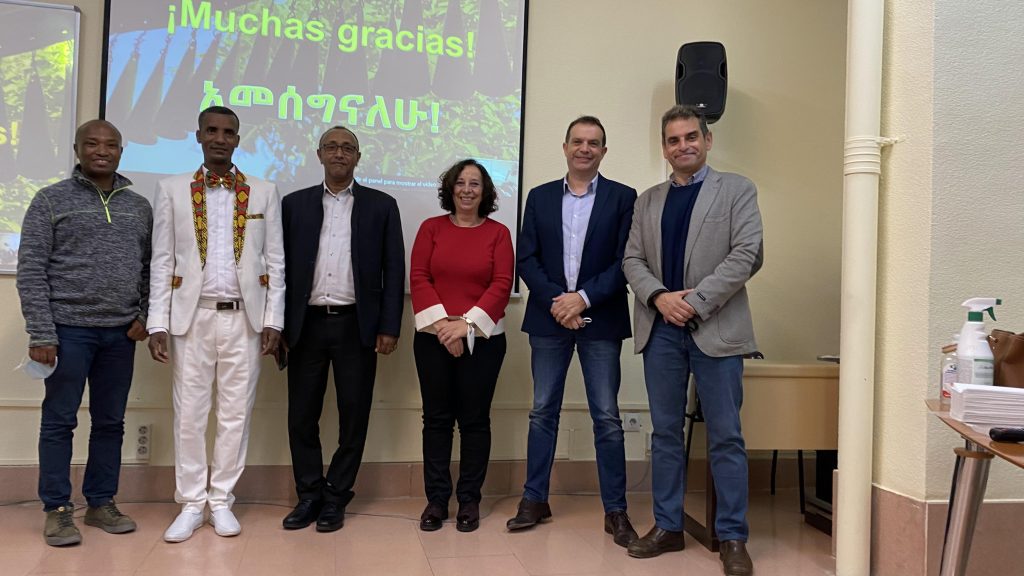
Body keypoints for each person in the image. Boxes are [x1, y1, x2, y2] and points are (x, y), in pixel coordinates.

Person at [622, 105, 763, 576]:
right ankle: (668, 527)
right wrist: (660, 298)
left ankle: (733, 537)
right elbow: (632, 260)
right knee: (665, 434)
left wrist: (695, 302)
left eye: (690, 137)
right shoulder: (647, 201)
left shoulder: (737, 189)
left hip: (717, 329)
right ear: (664, 148)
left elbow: (747, 254)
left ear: (707, 140)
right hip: (661, 331)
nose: (682, 145)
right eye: (673, 140)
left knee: (726, 436)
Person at [147, 106, 285, 542]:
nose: (220, 138)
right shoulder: (172, 189)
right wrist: (157, 322)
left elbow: (275, 261)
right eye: (212, 130)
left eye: (228, 132)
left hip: (245, 319)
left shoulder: (264, 191)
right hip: (191, 318)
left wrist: (273, 319)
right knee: (189, 414)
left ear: (238, 140)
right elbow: (162, 260)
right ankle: (191, 503)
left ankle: (222, 499)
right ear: (199, 136)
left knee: (235, 413)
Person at [16, 119, 152, 546]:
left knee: (111, 422)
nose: (101, 150)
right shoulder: (50, 200)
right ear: (77, 150)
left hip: (120, 335)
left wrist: (144, 315)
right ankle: (57, 510)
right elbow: (31, 269)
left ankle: (101, 502)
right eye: (91, 143)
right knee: (59, 421)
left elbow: (150, 268)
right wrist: (42, 333)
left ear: (121, 152)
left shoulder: (139, 206)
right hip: (67, 331)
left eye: (110, 144)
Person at [507, 116, 639, 547]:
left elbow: (625, 260)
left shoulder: (623, 197)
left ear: (604, 151)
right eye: (578, 141)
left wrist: (581, 298)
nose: (585, 148)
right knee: (542, 411)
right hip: (549, 318)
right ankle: (534, 499)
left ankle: (616, 510)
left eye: (593, 143)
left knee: (607, 416)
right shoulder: (540, 196)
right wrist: (558, 301)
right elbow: (527, 259)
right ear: (565, 147)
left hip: (600, 317)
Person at [279, 126, 404, 532]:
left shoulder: (382, 206)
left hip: (356, 326)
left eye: (347, 148)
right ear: (319, 154)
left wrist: (389, 326)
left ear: (358, 157)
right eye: (331, 147)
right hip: (305, 325)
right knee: (301, 416)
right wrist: (277, 323)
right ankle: (308, 495)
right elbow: (277, 268)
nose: (339, 153)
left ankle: (336, 495)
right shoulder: (294, 205)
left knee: (354, 416)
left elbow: (393, 270)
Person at [410, 159, 514, 533]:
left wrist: (465, 326)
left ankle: (469, 499)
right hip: (433, 338)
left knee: (474, 421)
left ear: (485, 192)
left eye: (475, 184)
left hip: (483, 341)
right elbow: (419, 277)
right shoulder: (430, 228)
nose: (467, 190)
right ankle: (437, 501)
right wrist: (445, 328)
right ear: (450, 189)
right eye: (461, 183)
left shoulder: (499, 233)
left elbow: (502, 283)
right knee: (436, 420)